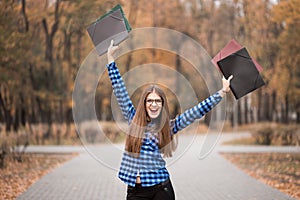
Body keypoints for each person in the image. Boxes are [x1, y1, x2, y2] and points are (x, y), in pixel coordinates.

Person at [106, 40, 233, 200]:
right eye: (150, 101)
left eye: (157, 101)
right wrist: (110, 59)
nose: (153, 104)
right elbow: (119, 89)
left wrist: (221, 92)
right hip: (136, 191)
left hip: (161, 189)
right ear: (144, 104)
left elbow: (196, 111)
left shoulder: (169, 126)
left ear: (162, 104)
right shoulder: (133, 118)